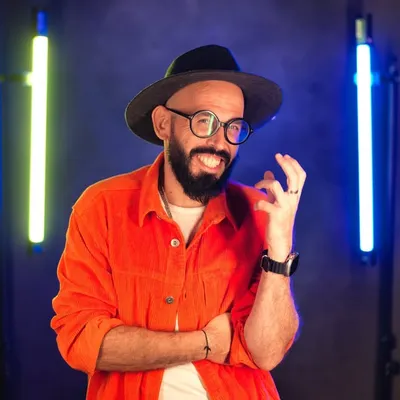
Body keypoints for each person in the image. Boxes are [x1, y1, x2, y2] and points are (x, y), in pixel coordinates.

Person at [51, 44, 306, 400]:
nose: (219, 143)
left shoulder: (259, 213)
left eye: (233, 127)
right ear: (163, 123)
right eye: (204, 121)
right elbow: (81, 341)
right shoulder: (101, 207)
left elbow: (266, 352)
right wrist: (207, 343)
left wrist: (279, 252)